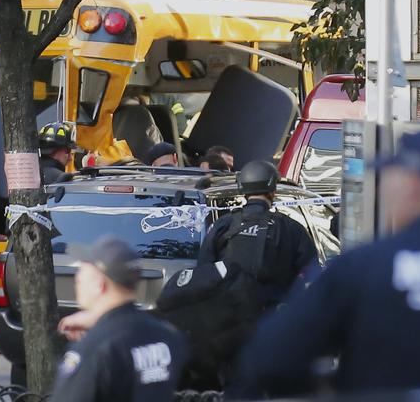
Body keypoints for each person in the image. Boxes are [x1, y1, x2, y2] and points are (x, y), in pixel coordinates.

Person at [235, 131, 420, 398]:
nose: (381, 190)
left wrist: (331, 390)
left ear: (411, 186)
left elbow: (271, 357)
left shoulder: (363, 267)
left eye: (385, 180)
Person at [196, 160, 317, 390]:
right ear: (273, 190)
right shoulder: (290, 229)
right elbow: (312, 275)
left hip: (227, 326)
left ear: (242, 189)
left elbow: (203, 272)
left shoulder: (224, 226)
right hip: (272, 326)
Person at [50, 236, 187, 402]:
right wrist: (101, 322)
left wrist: (100, 332)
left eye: (82, 272)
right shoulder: (167, 337)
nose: (77, 279)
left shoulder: (93, 351)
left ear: (99, 284)